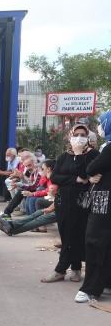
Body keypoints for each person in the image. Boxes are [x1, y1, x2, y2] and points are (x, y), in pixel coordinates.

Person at [41, 124, 99, 283]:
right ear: (70, 136)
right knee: (67, 235)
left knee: (73, 236)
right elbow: (54, 177)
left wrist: (79, 154)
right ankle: (76, 268)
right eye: (76, 134)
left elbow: (85, 174)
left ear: (88, 137)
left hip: (80, 203)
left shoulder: (92, 154)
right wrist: (75, 179)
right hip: (62, 202)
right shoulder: (64, 156)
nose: (79, 138)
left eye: (83, 135)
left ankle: (60, 270)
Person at [75, 117, 111, 303]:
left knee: (95, 242)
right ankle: (105, 282)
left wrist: (81, 156)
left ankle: (90, 289)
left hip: (104, 202)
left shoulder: (109, 148)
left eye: (102, 122)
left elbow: (91, 168)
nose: (99, 127)